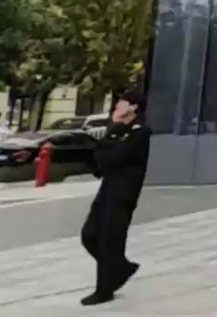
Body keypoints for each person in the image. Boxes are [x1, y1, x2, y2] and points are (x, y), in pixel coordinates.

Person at [80, 91, 151, 306]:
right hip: (107, 190)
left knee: (110, 242)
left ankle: (104, 289)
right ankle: (121, 268)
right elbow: (100, 164)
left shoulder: (140, 133)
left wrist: (112, 136)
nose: (117, 105)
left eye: (122, 102)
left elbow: (116, 157)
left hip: (123, 195)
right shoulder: (118, 130)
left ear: (134, 107)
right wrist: (112, 131)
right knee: (89, 235)